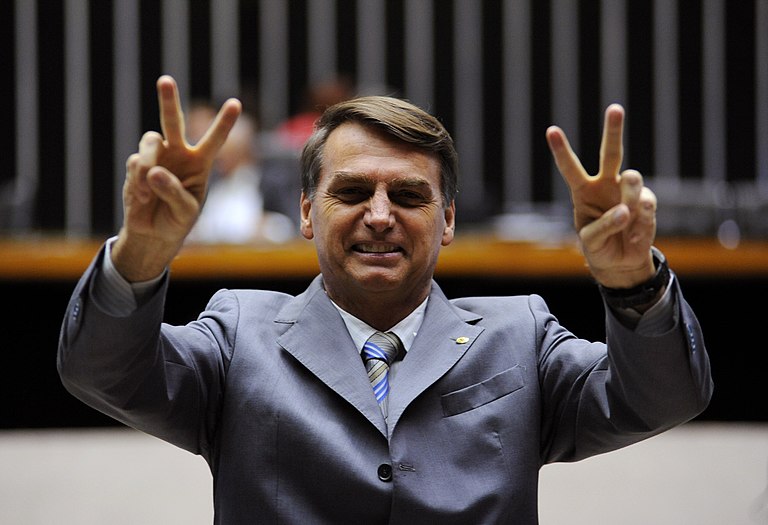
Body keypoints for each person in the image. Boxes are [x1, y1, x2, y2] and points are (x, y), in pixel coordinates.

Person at [57, 75, 713, 523]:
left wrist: (634, 281)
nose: (378, 216)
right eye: (351, 193)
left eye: (407, 196)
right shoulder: (237, 333)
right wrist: (140, 250)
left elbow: (662, 396)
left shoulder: (522, 334)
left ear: (448, 220)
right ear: (308, 211)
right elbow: (101, 370)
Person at [187, 110, 296, 244]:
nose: (217, 157)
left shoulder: (273, 181)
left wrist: (269, 227)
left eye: (223, 150)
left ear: (243, 150)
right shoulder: (211, 182)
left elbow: (293, 225)